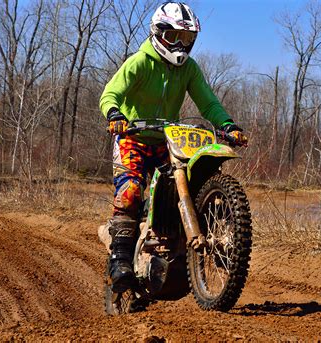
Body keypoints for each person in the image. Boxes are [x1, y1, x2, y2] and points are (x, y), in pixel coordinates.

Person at [99, 2, 248, 292]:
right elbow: (110, 93)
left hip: (168, 141)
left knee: (193, 183)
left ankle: (190, 245)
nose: (181, 45)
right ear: (158, 33)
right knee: (130, 191)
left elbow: (207, 102)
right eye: (174, 38)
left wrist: (228, 125)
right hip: (133, 137)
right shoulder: (139, 62)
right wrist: (115, 114)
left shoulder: (189, 69)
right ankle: (119, 260)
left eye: (187, 39)